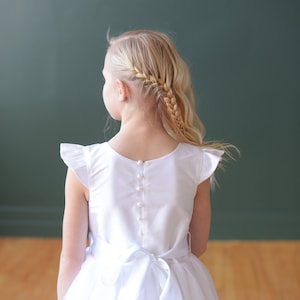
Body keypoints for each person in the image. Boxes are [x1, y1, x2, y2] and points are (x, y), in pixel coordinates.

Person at [57, 29, 234, 300]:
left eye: (104, 79)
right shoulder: (196, 163)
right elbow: (197, 246)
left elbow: (71, 257)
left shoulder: (85, 166)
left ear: (120, 89)